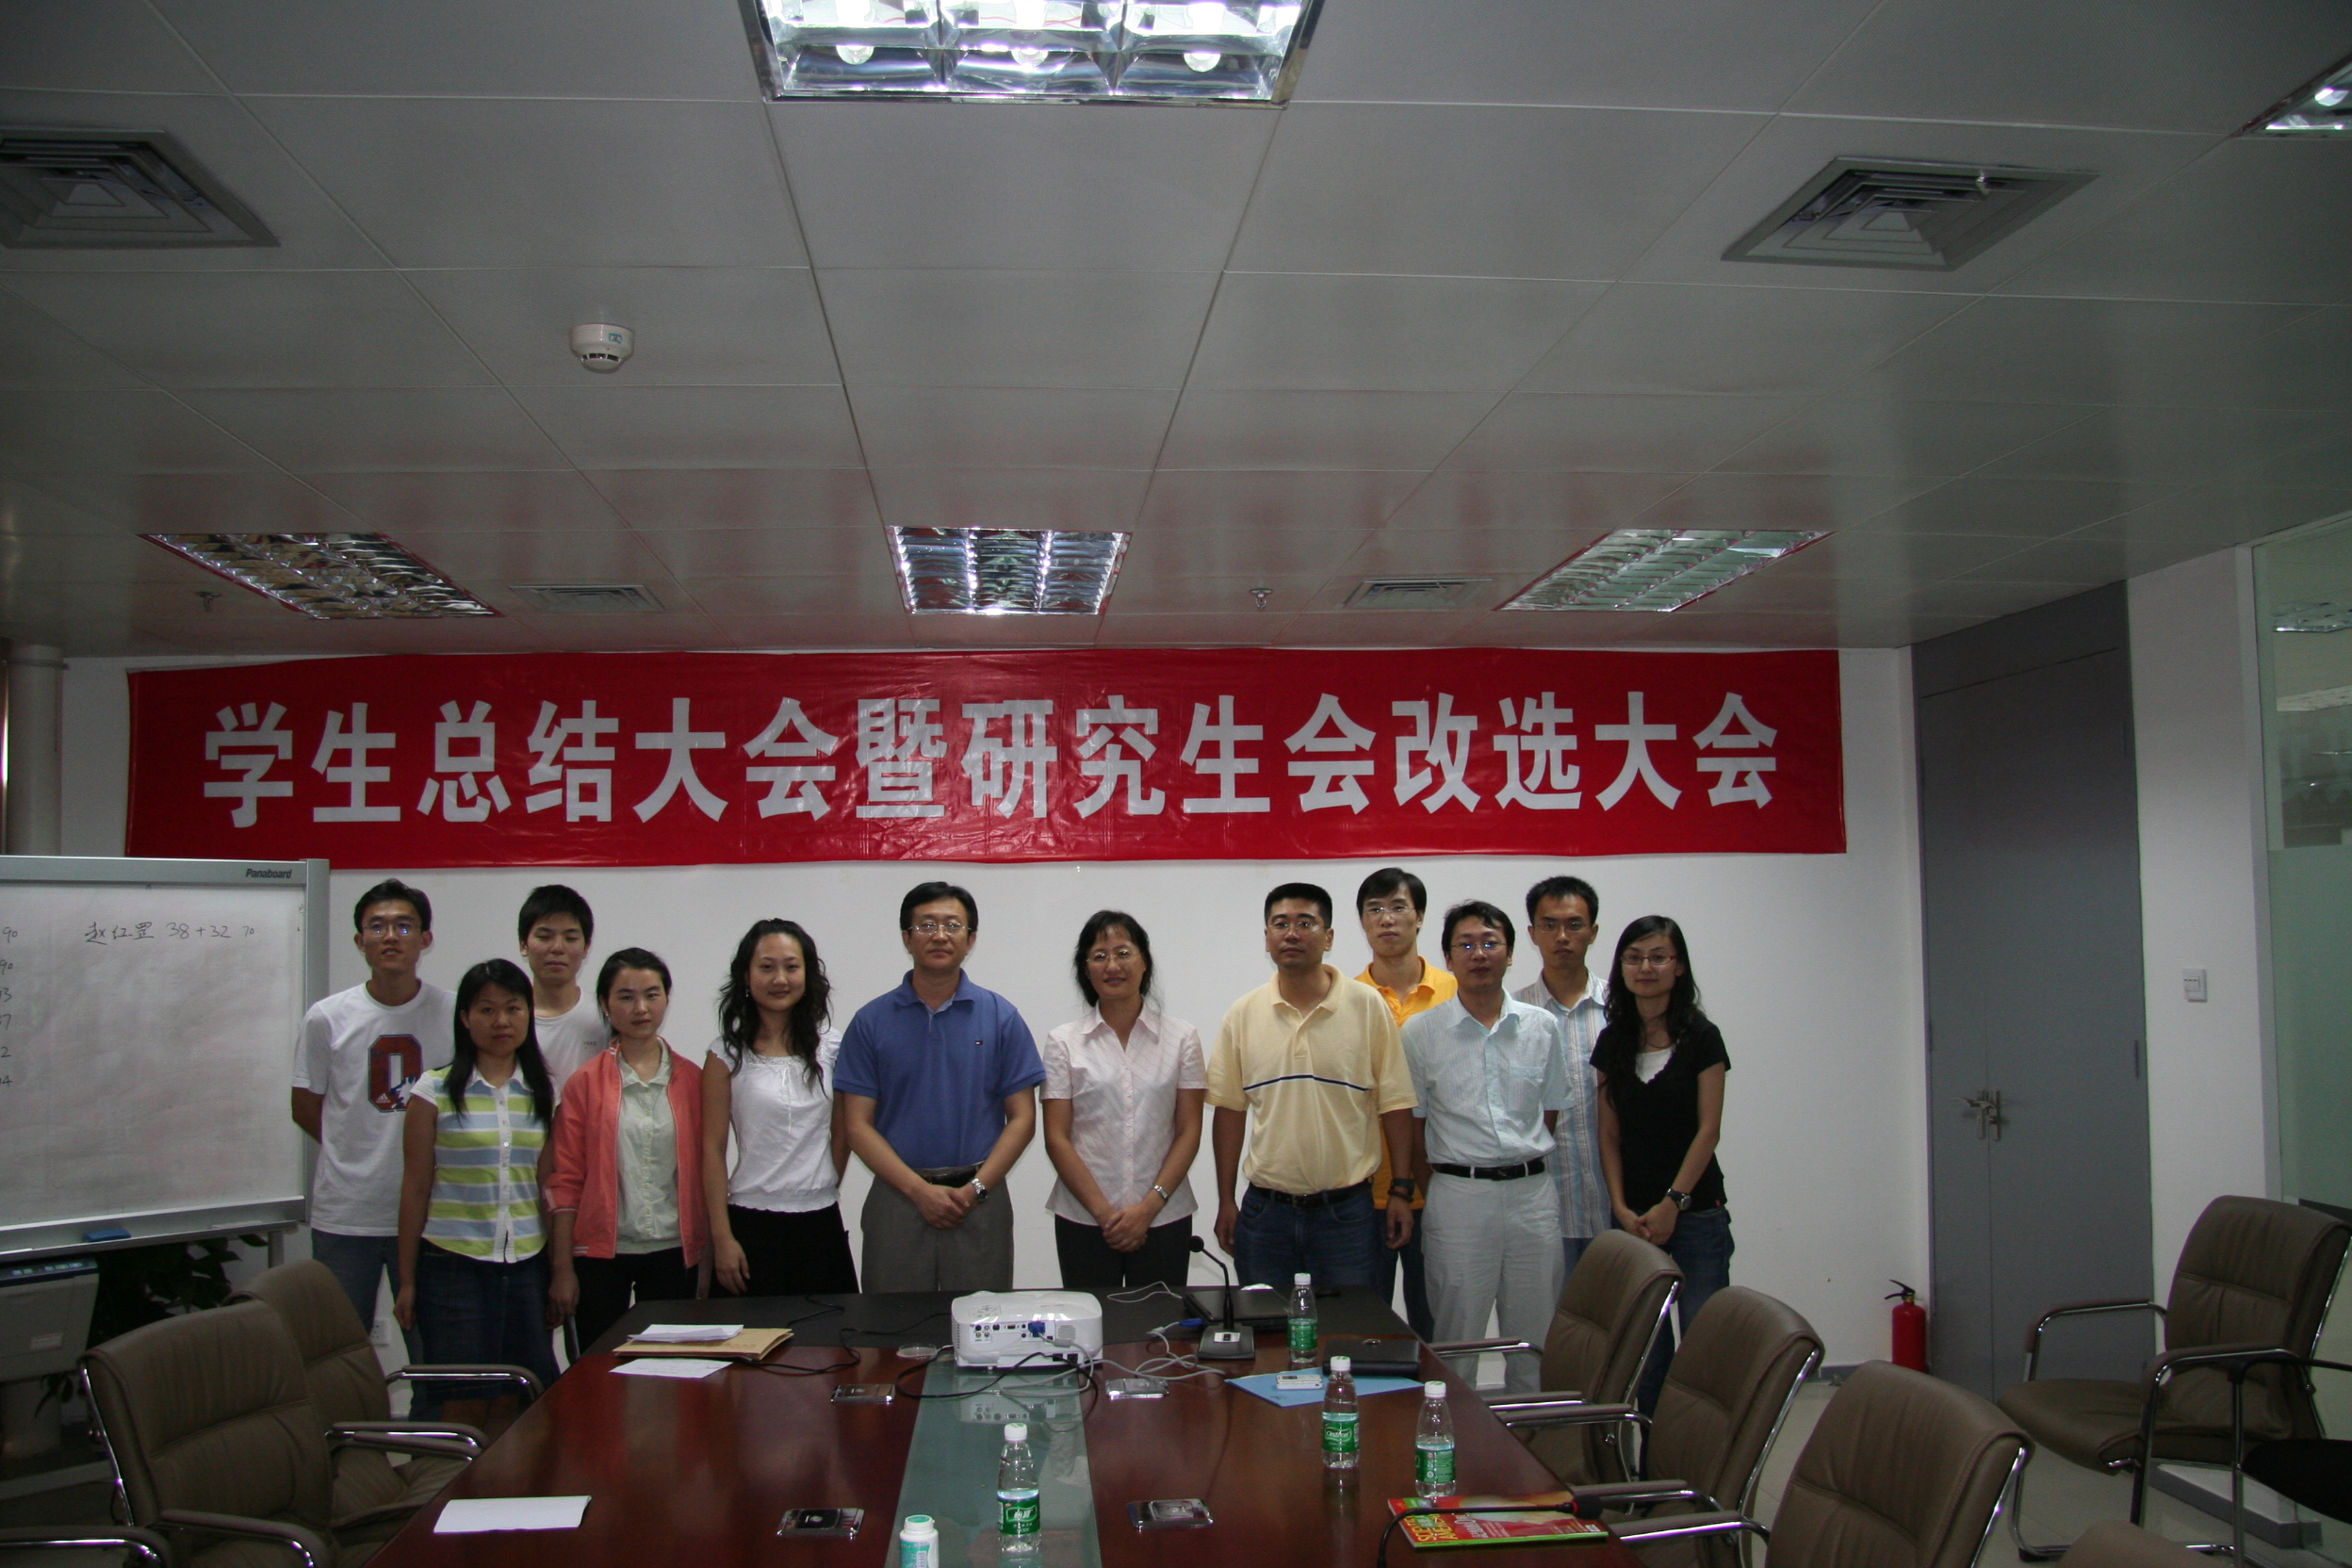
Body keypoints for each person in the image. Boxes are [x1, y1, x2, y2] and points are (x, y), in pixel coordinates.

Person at [1208, 882, 1417, 1292]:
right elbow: (1229, 1112)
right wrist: (1226, 1200)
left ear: (1329, 937)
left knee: (1349, 1326)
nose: (1292, 933)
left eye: (1306, 923)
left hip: (1347, 1214)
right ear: (1267, 937)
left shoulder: (1367, 1006)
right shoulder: (1243, 1014)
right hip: (1266, 1214)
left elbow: (1395, 1105)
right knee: (1265, 1327)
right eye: (1280, 924)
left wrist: (1401, 1191)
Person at [836, 883, 1045, 1292]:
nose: (940, 935)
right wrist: (918, 1191)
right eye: (927, 925)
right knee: (891, 1322)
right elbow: (856, 1125)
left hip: (979, 1199)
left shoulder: (1001, 1017)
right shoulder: (870, 1021)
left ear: (971, 939)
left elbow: (1023, 1118)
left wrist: (976, 1189)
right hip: (897, 1197)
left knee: (983, 1322)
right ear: (906, 937)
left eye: (952, 925)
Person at [1403, 902, 1568, 1395]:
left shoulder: (1541, 1027)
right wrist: (1444, 1184)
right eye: (1466, 944)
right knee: (1457, 1338)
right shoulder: (1421, 1033)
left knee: (1535, 1337)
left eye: (1490, 943)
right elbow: (1414, 1128)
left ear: (1510, 954)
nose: (1479, 954)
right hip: (1459, 1198)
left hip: (1532, 1197)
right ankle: (1454, 1432)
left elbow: (1549, 1111)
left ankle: (1532, 1434)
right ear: (1448, 958)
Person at [393, 958, 562, 1429]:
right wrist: (407, 1279)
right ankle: (460, 1473)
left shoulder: (545, 1092)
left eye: (513, 1008)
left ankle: (507, 1475)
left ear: (528, 1014)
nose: (501, 1021)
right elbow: (415, 1188)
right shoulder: (433, 1091)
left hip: (526, 1263)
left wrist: (558, 1270)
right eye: (486, 1010)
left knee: (517, 1396)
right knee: (462, 1398)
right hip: (453, 1265)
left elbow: (549, 1187)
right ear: (465, 1018)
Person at [290, 878, 452, 1352]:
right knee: (339, 1351)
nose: (390, 937)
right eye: (377, 927)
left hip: (431, 1214)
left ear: (425, 939)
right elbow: (304, 1105)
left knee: (433, 1351)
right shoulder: (327, 1017)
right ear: (359, 940)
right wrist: (353, 1147)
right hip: (346, 1215)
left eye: (404, 926)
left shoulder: (452, 1012)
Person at [1592, 916, 1732, 1413]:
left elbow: (1708, 1131)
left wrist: (1673, 1203)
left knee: (1703, 1351)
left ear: (1679, 966)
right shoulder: (1614, 1040)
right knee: (1647, 1354)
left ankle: (1701, 1454)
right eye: (1633, 958)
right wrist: (1619, 1206)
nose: (1645, 968)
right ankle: (1652, 1454)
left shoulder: (1702, 1037)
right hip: (1634, 1220)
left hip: (1697, 1215)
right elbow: (1609, 1133)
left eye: (1658, 957)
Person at [543, 948, 706, 1349]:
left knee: (672, 1369)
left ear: (666, 998)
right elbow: (565, 1180)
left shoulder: (694, 1081)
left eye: (652, 995)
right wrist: (562, 1267)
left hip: (674, 1251)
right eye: (626, 997)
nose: (640, 1008)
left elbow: (709, 1169)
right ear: (605, 1003)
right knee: (599, 1368)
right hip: (601, 1255)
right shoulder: (584, 1084)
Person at [1040, 911, 1206, 1292]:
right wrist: (1104, 1214)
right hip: (1084, 1218)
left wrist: (1149, 1208)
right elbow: (1056, 1138)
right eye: (1099, 956)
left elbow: (1189, 1131)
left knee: (1161, 1323)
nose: (1112, 966)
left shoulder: (1182, 1038)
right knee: (1091, 1324)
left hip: (1164, 1216)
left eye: (1123, 953)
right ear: (1085, 969)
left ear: (1144, 962)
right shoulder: (1063, 1042)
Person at [701, 919, 858, 1298]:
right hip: (749, 1223)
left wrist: (820, 1183)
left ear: (808, 974)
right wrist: (722, 1238)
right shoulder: (725, 1055)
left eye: (791, 967)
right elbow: (711, 1149)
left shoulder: (833, 1047)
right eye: (766, 967)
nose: (780, 979)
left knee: (833, 1333)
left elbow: (843, 1132)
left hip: (820, 1221)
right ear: (746, 975)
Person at [1352, 867, 1451, 1337]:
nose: (1386, 919)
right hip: (1365, 1191)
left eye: (1398, 907)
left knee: (1435, 1328)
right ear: (1362, 922)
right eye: (1375, 910)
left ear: (1420, 916)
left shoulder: (1456, 992)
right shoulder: (1346, 998)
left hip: (1440, 1189)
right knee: (1363, 1329)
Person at [1513, 875, 1611, 1281]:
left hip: (1617, 1205)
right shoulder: (1512, 1016)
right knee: (1548, 1317)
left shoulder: (1622, 1009)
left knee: (1626, 1317)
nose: (1562, 937)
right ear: (1532, 933)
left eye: (1574, 925)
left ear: (1593, 931)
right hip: (1542, 1207)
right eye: (1549, 925)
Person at [518, 884, 604, 1092]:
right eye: (544, 937)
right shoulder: (508, 1019)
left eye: (570, 938)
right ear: (523, 945)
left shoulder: (605, 1016)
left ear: (586, 948)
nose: (557, 948)